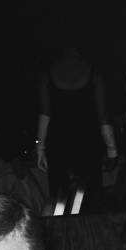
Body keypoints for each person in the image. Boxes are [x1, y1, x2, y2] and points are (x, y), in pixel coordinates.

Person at [36, 44, 117, 210]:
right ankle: (88, 234)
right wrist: (112, 150)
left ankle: (63, 233)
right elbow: (103, 116)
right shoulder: (93, 73)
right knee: (89, 199)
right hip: (88, 144)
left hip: (58, 144)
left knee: (60, 199)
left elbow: (45, 115)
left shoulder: (48, 74)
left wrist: (40, 148)